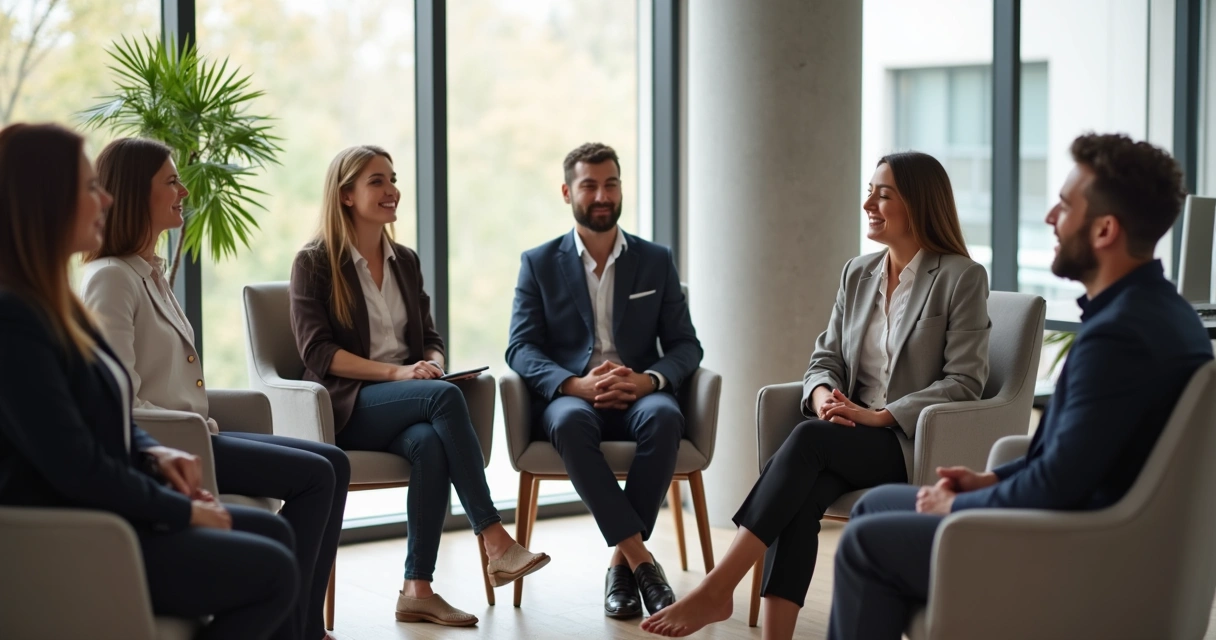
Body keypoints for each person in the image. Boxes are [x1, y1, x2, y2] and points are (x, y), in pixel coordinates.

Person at [825, 133, 1213, 640]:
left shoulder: (1121, 336)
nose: (1051, 217)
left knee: (867, 543)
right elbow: (1079, 453)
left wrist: (959, 506)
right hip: (1094, 525)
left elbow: (1061, 484)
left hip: (1077, 552)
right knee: (878, 506)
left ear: (1105, 229)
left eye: (1065, 205)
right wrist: (990, 481)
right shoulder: (1160, 313)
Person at [641, 151, 991, 639]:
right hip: (844, 433)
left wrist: (880, 417)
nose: (869, 201)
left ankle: (718, 588)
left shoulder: (960, 277)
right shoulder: (858, 272)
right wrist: (824, 393)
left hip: (907, 441)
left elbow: (965, 381)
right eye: (869, 190)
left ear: (920, 203)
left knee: (808, 443)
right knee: (800, 497)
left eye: (883, 194)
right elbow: (824, 358)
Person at [0, 123, 298, 639]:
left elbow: (104, 407)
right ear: (45, 202)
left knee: (273, 531)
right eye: (90, 187)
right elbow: (75, 464)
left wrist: (153, 452)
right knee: (273, 572)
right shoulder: (14, 320)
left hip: (112, 509)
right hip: (82, 536)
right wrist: (179, 509)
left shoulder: (54, 304)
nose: (106, 198)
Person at [77, 137, 349, 640]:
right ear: (139, 193)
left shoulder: (149, 272)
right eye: (171, 181)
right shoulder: (111, 278)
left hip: (200, 433)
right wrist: (185, 431)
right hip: (176, 443)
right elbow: (117, 397)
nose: (183, 189)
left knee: (333, 462)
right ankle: (298, 631)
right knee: (317, 476)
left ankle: (306, 625)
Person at [290, 144, 548, 627]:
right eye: (377, 181)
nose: (392, 191)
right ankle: (494, 538)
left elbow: (430, 339)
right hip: (348, 405)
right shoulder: (315, 262)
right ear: (346, 195)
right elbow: (318, 354)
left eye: (392, 179)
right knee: (444, 399)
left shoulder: (404, 260)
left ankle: (417, 588)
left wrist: (432, 364)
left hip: (410, 401)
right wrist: (399, 373)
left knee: (430, 443)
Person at [506, 142, 704, 620]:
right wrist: (574, 385)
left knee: (664, 418)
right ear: (567, 191)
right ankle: (641, 562)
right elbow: (520, 347)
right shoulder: (538, 262)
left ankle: (620, 561)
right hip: (573, 396)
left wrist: (649, 380)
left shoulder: (655, 260)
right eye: (589, 185)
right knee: (571, 423)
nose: (601, 194)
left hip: (637, 392)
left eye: (610, 183)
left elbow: (686, 346)